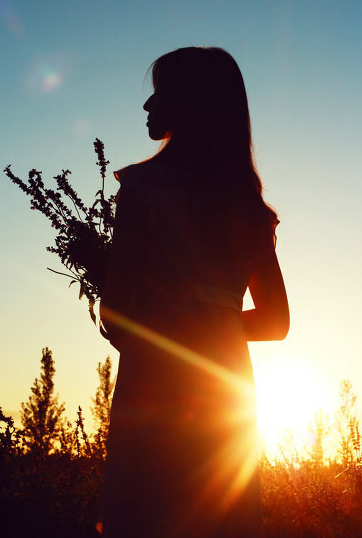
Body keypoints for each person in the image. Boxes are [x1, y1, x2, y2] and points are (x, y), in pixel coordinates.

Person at [97, 47, 289, 538]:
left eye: (157, 94)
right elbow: (275, 321)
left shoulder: (142, 189)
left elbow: (116, 316)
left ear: (187, 105)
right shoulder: (248, 208)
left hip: (152, 392)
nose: (147, 107)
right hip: (226, 387)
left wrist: (165, 322)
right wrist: (214, 325)